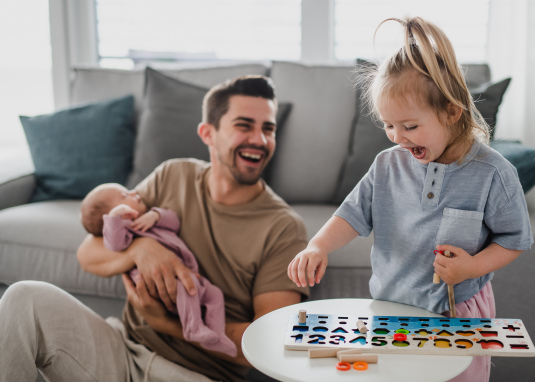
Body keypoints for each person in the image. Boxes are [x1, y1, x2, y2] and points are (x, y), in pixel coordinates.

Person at [0, 75, 308, 382]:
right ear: (208, 133)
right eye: (244, 125)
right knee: (24, 297)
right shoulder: (174, 175)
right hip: (120, 350)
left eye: (268, 128)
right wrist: (141, 249)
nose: (260, 139)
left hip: (197, 374)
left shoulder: (283, 228)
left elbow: (269, 342)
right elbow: (88, 253)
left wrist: (166, 324)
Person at [287, 17, 532, 382]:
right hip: (389, 307)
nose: (397, 137)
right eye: (388, 125)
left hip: (457, 313)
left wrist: (470, 268)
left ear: (451, 112)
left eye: (410, 126)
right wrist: (318, 246)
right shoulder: (387, 165)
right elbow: (352, 214)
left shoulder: (493, 173)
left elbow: (515, 240)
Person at [79, 183, 236, 357]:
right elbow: (113, 244)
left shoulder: (147, 218)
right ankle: (194, 328)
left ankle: (217, 334)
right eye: (124, 195)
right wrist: (115, 218)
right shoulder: (126, 233)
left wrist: (156, 215)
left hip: (187, 272)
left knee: (215, 295)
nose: (134, 192)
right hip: (161, 280)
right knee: (187, 290)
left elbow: (174, 222)